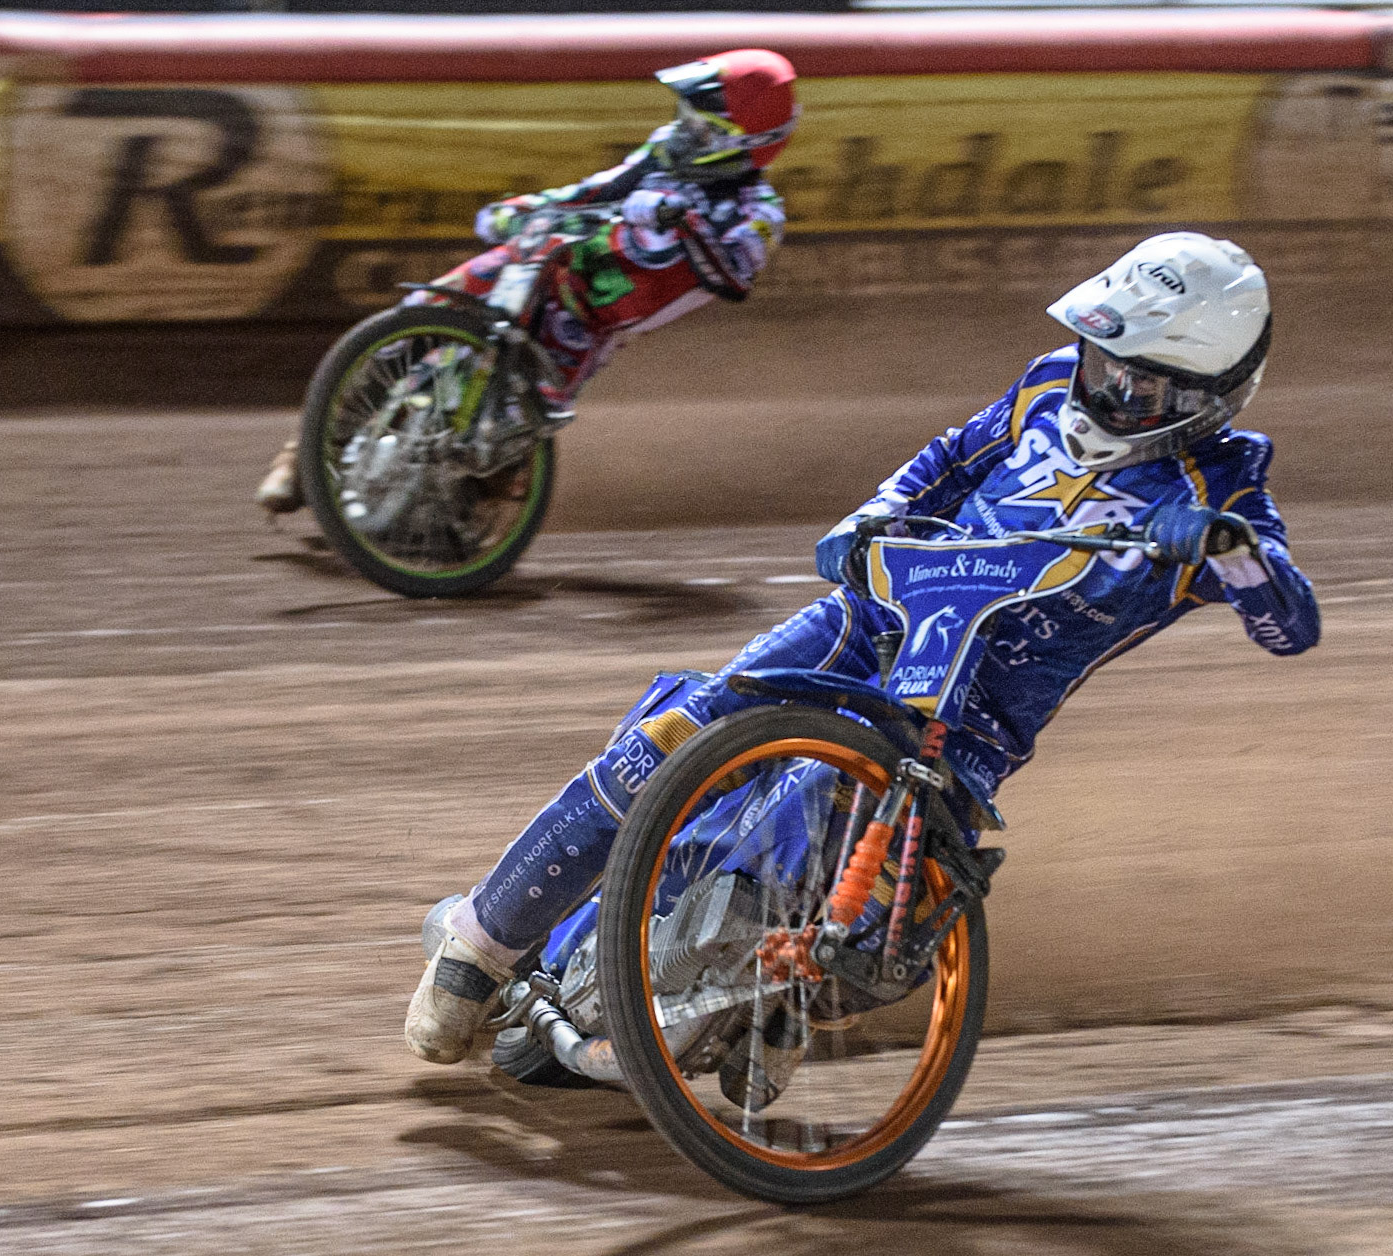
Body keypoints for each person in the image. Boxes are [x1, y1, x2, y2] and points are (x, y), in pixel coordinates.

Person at [404, 231, 1323, 1065]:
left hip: (972, 716)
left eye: (1140, 384)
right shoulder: (1048, 383)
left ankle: (749, 1010)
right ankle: (479, 946)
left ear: (1209, 401)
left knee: (826, 868)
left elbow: (1291, 628)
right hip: (869, 615)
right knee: (674, 740)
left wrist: (1231, 552)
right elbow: (948, 458)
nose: (1107, 390)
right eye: (1101, 360)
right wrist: (873, 516)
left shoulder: (1226, 487)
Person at [255, 49, 798, 513]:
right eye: (685, 114)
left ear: (747, 141)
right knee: (419, 314)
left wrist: (681, 217)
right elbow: (596, 189)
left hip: (590, 319)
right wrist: (528, 206)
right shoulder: (665, 151)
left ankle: (462, 532)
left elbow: (733, 277)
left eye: (702, 125)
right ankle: (301, 456)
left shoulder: (759, 214)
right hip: (547, 261)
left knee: (509, 437)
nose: (684, 130)